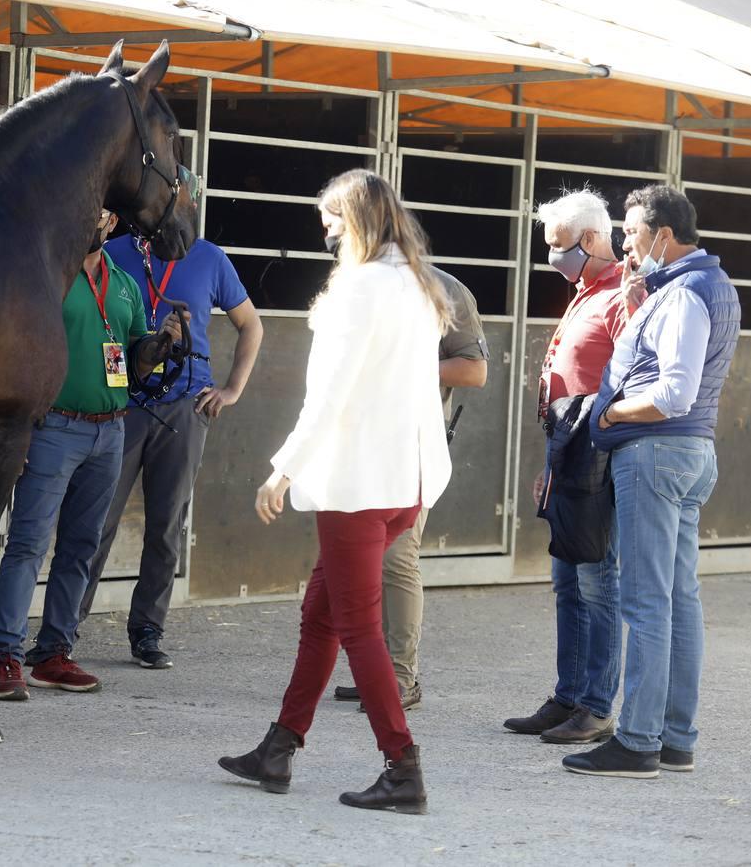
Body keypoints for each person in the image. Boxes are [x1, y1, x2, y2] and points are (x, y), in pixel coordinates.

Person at [217, 169, 451, 815]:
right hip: (402, 481)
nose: (325, 231)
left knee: (355, 626)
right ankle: (279, 747)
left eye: (333, 220)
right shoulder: (418, 284)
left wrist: (283, 467)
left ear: (360, 221)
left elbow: (331, 394)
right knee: (322, 614)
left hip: (358, 483)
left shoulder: (363, 289)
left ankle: (402, 766)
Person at [563, 185, 738, 778]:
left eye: (634, 235)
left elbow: (673, 392)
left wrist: (610, 414)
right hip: (686, 454)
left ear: (664, 235)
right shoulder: (701, 286)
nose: (628, 247)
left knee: (646, 599)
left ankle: (637, 741)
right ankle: (675, 739)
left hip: (658, 453)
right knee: (678, 599)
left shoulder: (686, 294)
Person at [0, 209, 182, 701]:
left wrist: (160, 345)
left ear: (112, 221)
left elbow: (135, 359)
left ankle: (53, 653)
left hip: (110, 431)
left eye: (101, 212)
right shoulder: (47, 273)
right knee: (28, 545)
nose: (93, 218)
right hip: (53, 425)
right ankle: (8, 656)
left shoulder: (123, 283)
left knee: (81, 549)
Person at [77, 235, 263, 669]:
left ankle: (147, 630)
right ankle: (63, 629)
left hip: (184, 405)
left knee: (165, 524)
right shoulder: (113, 252)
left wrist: (233, 389)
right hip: (122, 402)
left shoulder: (210, 257)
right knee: (96, 519)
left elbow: (251, 323)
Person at [503, 189, 628, 745]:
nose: (555, 258)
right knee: (567, 584)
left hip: (598, 459)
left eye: (561, 246)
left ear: (594, 238)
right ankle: (569, 695)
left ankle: (597, 706)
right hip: (568, 455)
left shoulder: (623, 296)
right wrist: (550, 463)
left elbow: (630, 379)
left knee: (598, 584)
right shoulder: (587, 291)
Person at [333, 266, 487, 710]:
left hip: (411, 442)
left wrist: (403, 367)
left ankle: (400, 678)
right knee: (357, 560)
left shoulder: (445, 288)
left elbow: (474, 371)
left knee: (396, 557)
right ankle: (374, 670)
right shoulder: (354, 283)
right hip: (357, 439)